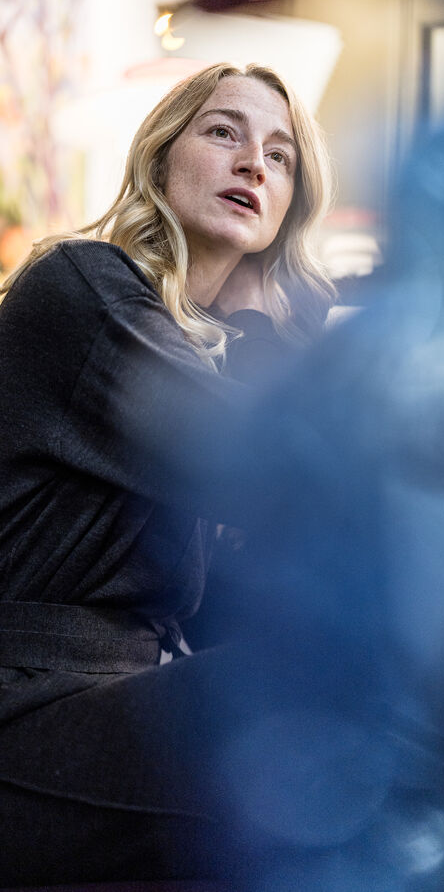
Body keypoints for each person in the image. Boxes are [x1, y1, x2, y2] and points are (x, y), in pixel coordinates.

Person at [0, 62, 336, 887]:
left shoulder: (200, 352)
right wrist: (266, 324)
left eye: (280, 157)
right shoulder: (83, 285)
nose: (253, 163)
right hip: (25, 704)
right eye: (224, 132)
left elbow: (250, 596)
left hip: (107, 698)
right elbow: (262, 469)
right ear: (160, 156)